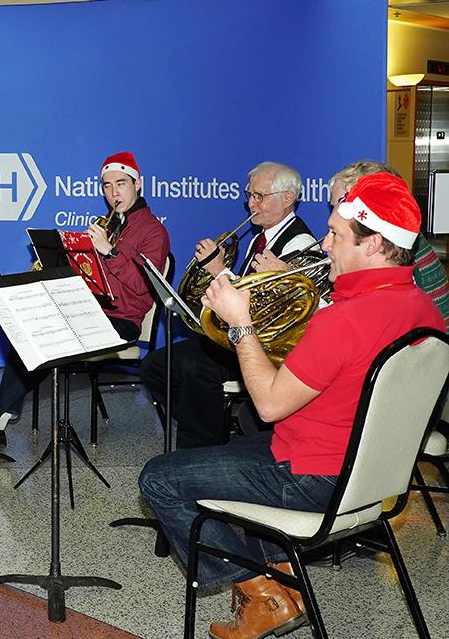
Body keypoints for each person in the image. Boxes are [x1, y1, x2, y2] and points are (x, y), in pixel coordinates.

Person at [138, 172, 443, 639]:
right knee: (249, 444)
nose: (325, 245)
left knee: (158, 478)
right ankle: (284, 575)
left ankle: (264, 595)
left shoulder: (342, 320)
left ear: (375, 244)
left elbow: (268, 404)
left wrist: (241, 323)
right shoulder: (422, 308)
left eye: (337, 235)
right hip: (374, 478)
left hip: (310, 479)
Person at [0, 151, 170, 446]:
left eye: (121, 184)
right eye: (107, 185)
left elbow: (142, 285)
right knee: (26, 328)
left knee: (47, 339)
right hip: (91, 311)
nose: (114, 193)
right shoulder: (111, 225)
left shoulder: (154, 231)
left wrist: (109, 252)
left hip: (122, 322)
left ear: (138, 184)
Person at [140, 161, 316, 449]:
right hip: (239, 336)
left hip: (264, 348)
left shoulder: (301, 243)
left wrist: (219, 269)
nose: (250, 203)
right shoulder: (259, 238)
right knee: (155, 366)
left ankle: (200, 446)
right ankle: (209, 427)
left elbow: (270, 312)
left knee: (196, 367)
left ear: (287, 199)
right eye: (249, 195)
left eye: (259, 196)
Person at [260, 160, 449, 329]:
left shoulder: (396, 263)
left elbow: (346, 326)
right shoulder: (400, 244)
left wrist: (292, 286)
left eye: (339, 205)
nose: (335, 214)